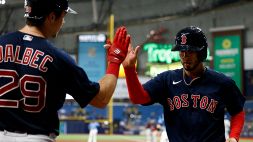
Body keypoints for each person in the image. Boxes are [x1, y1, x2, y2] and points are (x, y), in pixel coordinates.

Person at [0, 0, 130, 142]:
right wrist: (115, 60)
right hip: (36, 137)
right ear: (51, 17)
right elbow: (101, 98)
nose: (63, 22)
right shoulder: (58, 58)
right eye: (63, 16)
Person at [119, 26, 245, 142]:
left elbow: (237, 111)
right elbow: (138, 98)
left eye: (190, 51)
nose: (184, 56)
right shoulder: (166, 80)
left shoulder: (222, 83)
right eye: (181, 51)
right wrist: (130, 70)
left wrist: (234, 137)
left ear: (201, 52)